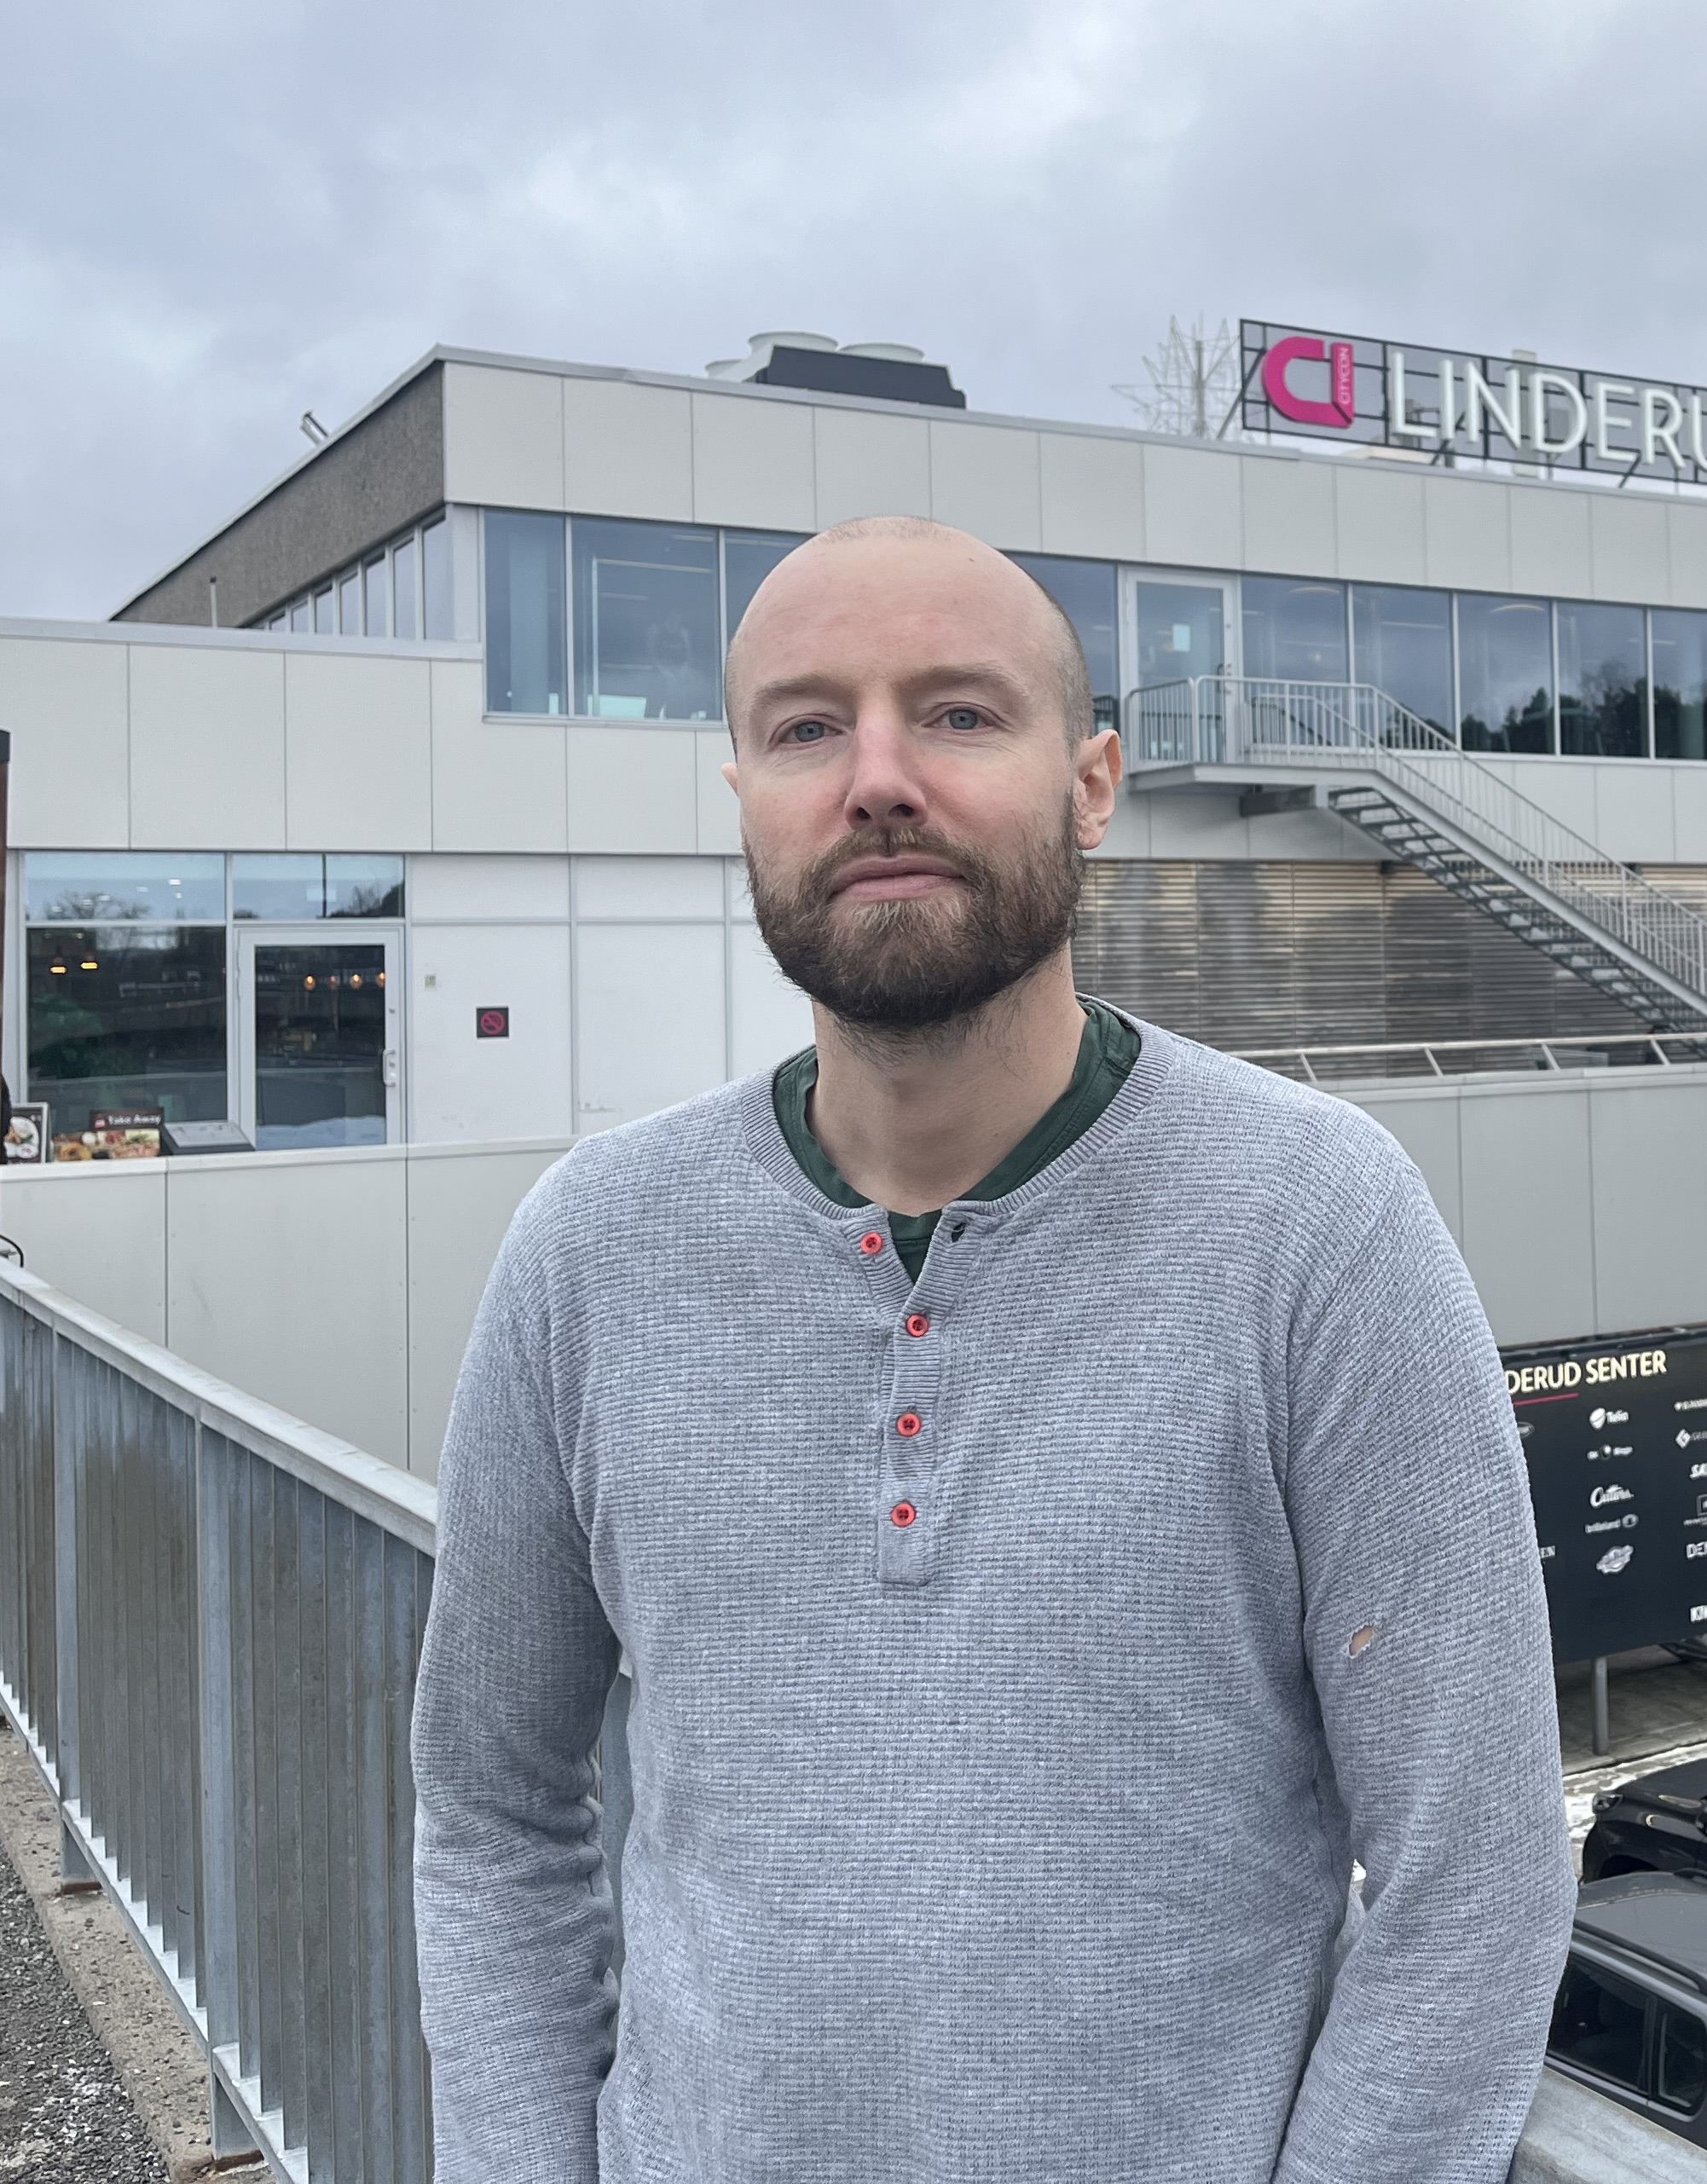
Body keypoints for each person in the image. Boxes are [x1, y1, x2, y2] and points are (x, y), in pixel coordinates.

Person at [412, 517, 1571, 2184]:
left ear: (1092, 783)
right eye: (809, 728)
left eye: (958, 714)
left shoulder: (1322, 1230)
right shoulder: (589, 1253)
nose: (878, 776)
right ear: (743, 792)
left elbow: (1474, 1873)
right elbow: (491, 1807)